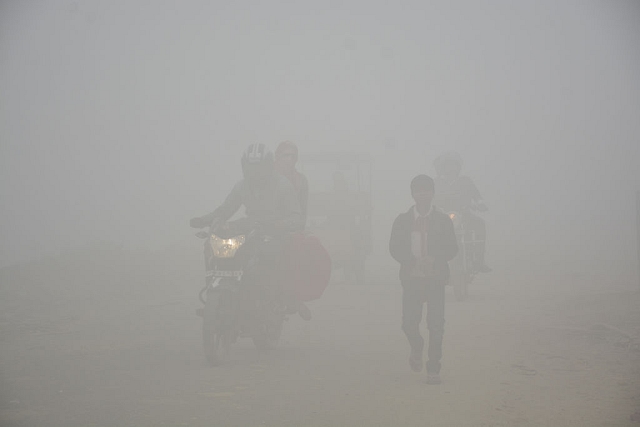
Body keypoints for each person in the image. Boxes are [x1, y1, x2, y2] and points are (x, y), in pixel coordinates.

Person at [189, 143, 311, 320]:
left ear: (268, 166)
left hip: (275, 231)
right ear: (245, 167)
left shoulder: (283, 185)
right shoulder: (242, 186)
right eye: (251, 167)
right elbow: (225, 210)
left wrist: (277, 225)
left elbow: (297, 218)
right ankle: (221, 287)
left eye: (259, 167)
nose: (255, 172)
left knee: (270, 254)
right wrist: (204, 220)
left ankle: (277, 298)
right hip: (250, 227)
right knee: (216, 245)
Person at [389, 174, 458, 384]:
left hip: (436, 279)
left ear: (432, 193)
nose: (422, 193)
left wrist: (435, 259)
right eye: (418, 190)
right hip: (411, 280)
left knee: (436, 325)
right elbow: (394, 248)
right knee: (409, 324)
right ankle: (417, 347)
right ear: (413, 194)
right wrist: (410, 261)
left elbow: (452, 248)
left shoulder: (444, 220)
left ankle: (433, 367)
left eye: (426, 189)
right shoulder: (402, 221)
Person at [433, 151, 491, 273]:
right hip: (442, 217)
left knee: (480, 224)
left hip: (464, 215)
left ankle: (479, 260)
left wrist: (480, 205)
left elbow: (477, 196)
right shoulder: (437, 182)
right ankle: (430, 259)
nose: (451, 169)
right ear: (443, 168)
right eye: (448, 166)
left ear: (458, 167)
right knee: (429, 229)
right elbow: (430, 198)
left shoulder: (466, 181)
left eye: (454, 166)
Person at [274, 140, 309, 227]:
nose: (290, 158)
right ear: (278, 157)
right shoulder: (268, 177)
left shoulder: (301, 180)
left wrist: (299, 226)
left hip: (291, 228)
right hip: (267, 225)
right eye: (286, 155)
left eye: (293, 156)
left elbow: (302, 209)